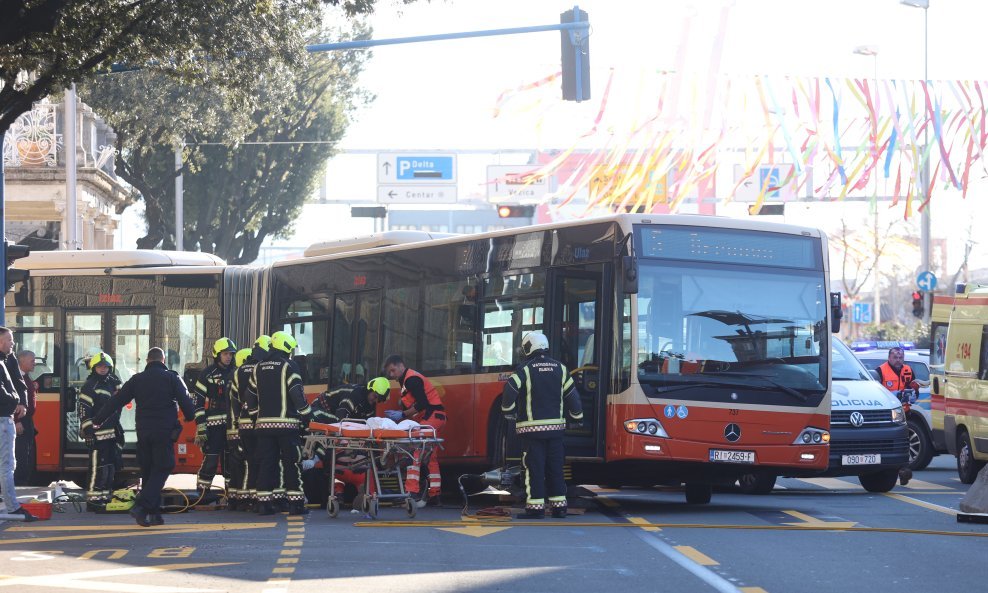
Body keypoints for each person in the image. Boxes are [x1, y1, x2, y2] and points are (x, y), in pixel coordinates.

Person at [94, 347, 196, 527]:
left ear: (147, 361)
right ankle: (142, 505)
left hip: (143, 431)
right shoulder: (172, 378)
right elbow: (187, 402)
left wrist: (98, 419)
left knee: (149, 471)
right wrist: (189, 415)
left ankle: (153, 514)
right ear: (163, 361)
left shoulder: (137, 380)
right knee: (165, 465)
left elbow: (116, 401)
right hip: (163, 431)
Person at [501, 331, 583, 519]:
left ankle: (535, 508)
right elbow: (573, 397)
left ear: (529, 347)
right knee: (555, 467)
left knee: (534, 467)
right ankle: (559, 507)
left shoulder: (525, 369)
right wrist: (577, 417)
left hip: (531, 431)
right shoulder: (561, 368)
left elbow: (510, 391)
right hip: (556, 431)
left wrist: (509, 411)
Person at [246, 330, 313, 515]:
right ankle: (296, 504)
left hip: (263, 427)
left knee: (267, 464)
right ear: (286, 347)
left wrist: (255, 417)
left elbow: (249, 396)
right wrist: (308, 416)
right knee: (292, 463)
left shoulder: (258, 367)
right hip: (287, 426)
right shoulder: (289, 366)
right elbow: (297, 394)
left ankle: (264, 504)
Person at [302, 376, 391, 508]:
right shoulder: (354, 395)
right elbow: (341, 419)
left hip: (334, 416)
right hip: (321, 409)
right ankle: (316, 461)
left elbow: (367, 427)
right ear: (369, 389)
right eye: (375, 396)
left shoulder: (370, 407)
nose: (375, 400)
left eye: (379, 399)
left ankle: (338, 489)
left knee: (338, 435)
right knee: (333, 433)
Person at [383, 354, 446, 507]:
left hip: (432, 416)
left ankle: (411, 493)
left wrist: (402, 414)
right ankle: (434, 494)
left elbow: (423, 403)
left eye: (392, 371)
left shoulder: (411, 379)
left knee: (415, 450)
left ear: (400, 366)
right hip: (435, 417)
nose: (391, 375)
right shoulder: (407, 380)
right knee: (431, 456)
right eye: (389, 372)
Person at [192, 337, 238, 502]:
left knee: (230, 459)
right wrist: (201, 426)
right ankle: (203, 492)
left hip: (232, 425)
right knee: (211, 458)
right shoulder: (207, 374)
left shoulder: (236, 372)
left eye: (231, 354)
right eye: (225, 354)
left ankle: (231, 493)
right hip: (213, 425)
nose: (229, 357)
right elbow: (197, 402)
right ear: (217, 354)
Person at [77, 352, 122, 509]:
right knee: (97, 468)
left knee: (109, 467)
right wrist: (88, 432)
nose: (103, 369)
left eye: (106, 366)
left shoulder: (112, 383)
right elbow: (84, 411)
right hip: (97, 435)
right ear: (93, 367)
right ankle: (93, 500)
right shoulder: (90, 386)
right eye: (100, 366)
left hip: (111, 434)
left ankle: (104, 497)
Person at [0, 326, 36, 521]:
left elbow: (18, 384)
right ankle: (13, 507)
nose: (13, 343)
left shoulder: (8, 359)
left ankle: (10, 502)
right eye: (9, 339)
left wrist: (20, 401)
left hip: (6, 416)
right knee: (7, 465)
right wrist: (15, 402)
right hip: (3, 418)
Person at [232, 336, 270, 511]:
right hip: (258, 422)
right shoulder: (261, 369)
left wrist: (235, 425)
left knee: (249, 462)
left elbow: (234, 400)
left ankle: (244, 497)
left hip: (243, 423)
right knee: (261, 461)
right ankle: (256, 499)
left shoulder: (238, 372)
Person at [877, 346, 924, 486]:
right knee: (887, 444)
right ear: (889, 358)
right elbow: (877, 392)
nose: (898, 360)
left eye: (900, 357)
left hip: (904, 413)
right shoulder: (880, 371)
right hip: (886, 414)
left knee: (904, 444)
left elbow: (914, 391)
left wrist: (914, 392)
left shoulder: (908, 370)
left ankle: (903, 470)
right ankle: (889, 471)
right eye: (895, 357)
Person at [14, 350, 37, 485]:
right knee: (21, 457)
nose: (34, 363)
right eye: (32, 361)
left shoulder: (26, 377)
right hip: (20, 422)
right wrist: (16, 421)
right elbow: (11, 403)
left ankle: (22, 484)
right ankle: (18, 487)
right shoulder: (16, 379)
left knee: (28, 456)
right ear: (22, 362)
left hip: (27, 421)